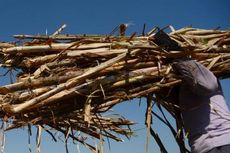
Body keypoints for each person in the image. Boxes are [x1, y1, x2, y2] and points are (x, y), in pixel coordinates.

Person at [171, 58, 230, 153]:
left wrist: (179, 57)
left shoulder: (201, 75)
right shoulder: (180, 87)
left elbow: (209, 85)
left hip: (221, 143)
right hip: (202, 147)